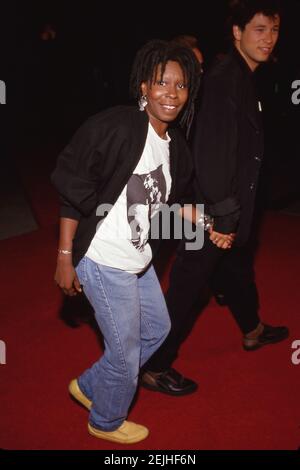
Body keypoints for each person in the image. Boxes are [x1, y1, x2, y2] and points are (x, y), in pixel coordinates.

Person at [51, 39, 201, 443]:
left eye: (181, 86)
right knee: (123, 351)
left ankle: (89, 385)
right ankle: (104, 420)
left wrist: (200, 217)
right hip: (102, 258)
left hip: (138, 257)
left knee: (158, 328)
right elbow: (73, 187)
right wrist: (65, 256)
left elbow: (161, 201)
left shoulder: (174, 146)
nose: (171, 93)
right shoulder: (116, 127)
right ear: (143, 88)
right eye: (161, 83)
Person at [141, 0, 289, 396]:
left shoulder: (241, 77)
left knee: (236, 266)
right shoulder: (227, 80)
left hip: (227, 209)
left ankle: (252, 329)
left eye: (274, 30)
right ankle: (154, 365)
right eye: (259, 29)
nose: (269, 38)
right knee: (188, 287)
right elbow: (212, 156)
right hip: (211, 210)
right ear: (237, 33)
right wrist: (223, 219)